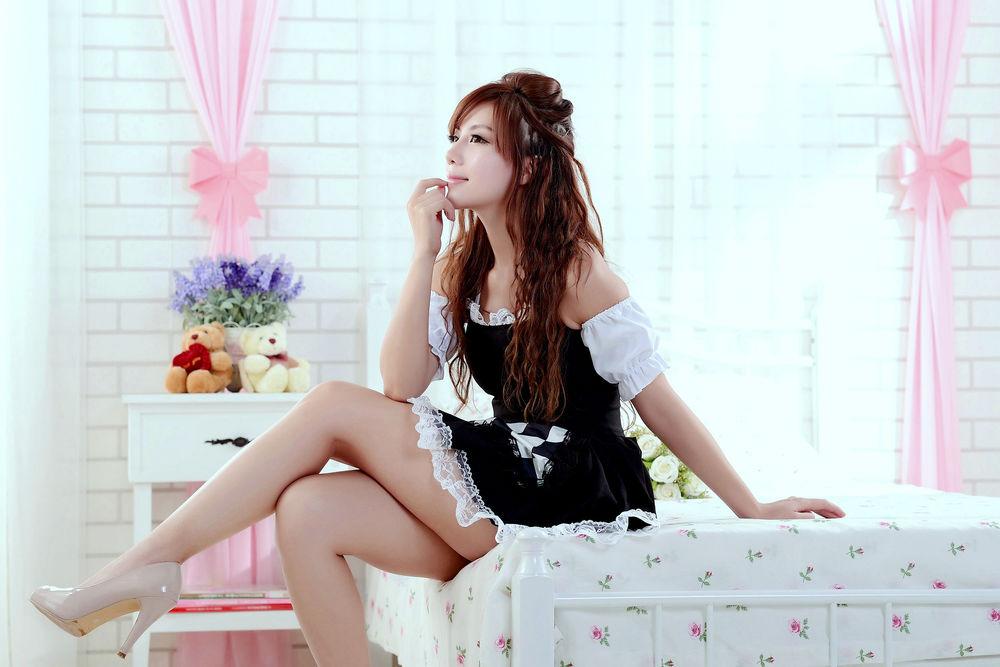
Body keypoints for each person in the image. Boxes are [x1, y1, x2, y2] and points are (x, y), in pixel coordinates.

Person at [30, 69, 846, 666]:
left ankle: (138, 569)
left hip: (569, 483)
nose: (455, 153)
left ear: (529, 166)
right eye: (454, 137)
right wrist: (424, 252)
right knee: (307, 509)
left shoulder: (578, 272)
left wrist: (751, 504)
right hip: (500, 481)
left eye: (478, 140)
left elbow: (659, 403)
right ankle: (149, 572)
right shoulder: (463, 268)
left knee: (331, 403)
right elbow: (402, 383)